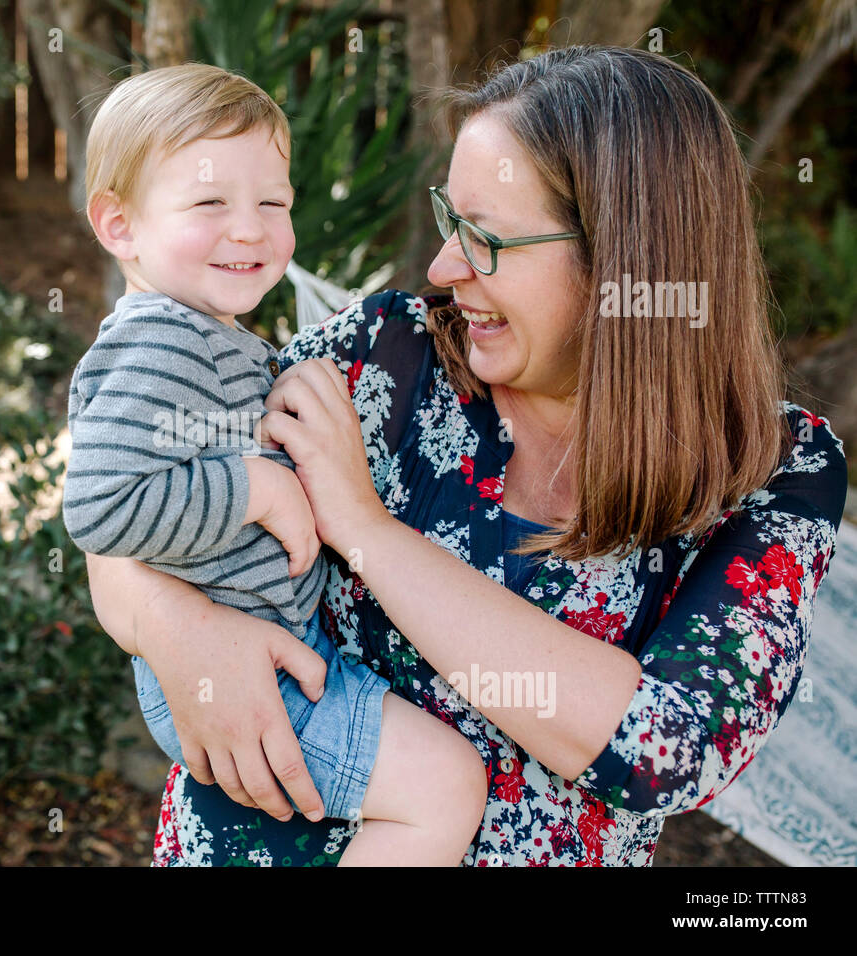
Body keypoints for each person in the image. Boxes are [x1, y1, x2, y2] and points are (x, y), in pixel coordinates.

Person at [83, 46, 850, 866]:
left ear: (626, 260)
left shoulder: (773, 468)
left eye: (486, 239)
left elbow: (662, 752)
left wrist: (364, 530)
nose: (445, 269)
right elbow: (125, 505)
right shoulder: (383, 354)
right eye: (453, 220)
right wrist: (179, 629)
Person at [64, 63, 488, 866]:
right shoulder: (159, 342)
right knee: (444, 788)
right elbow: (100, 511)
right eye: (209, 202)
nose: (251, 229)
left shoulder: (206, 332)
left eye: (274, 203)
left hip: (269, 644)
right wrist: (254, 487)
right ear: (118, 225)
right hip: (245, 666)